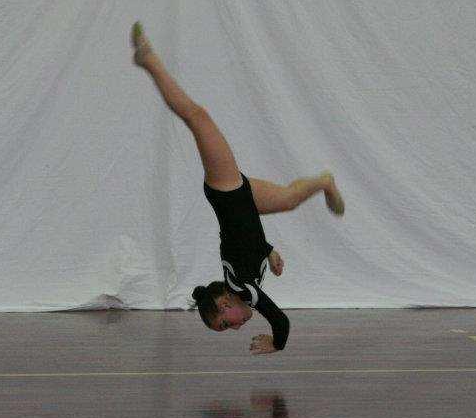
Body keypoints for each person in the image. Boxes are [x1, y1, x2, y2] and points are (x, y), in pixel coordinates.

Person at [130, 22, 344, 354]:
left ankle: (149, 59)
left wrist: (276, 344)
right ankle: (324, 181)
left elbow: (281, 321)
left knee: (197, 116)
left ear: (225, 301)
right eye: (227, 328)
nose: (234, 326)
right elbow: (246, 238)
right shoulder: (242, 282)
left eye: (225, 322)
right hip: (242, 200)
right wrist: (269, 250)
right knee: (288, 199)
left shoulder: (245, 291)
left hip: (227, 191)